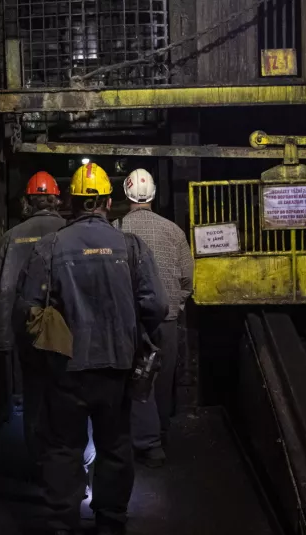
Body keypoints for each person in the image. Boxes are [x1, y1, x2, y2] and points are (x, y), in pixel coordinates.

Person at [16, 162, 168, 535]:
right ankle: (110, 521)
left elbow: (27, 308)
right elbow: (157, 306)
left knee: (63, 447)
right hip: (116, 368)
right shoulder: (131, 247)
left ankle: (63, 522)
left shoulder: (50, 247)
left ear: (71, 201)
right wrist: (136, 336)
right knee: (115, 445)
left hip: (65, 368)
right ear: (107, 202)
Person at [0, 170, 66, 479]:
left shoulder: (12, 236)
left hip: (25, 332)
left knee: (32, 396)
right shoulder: (68, 230)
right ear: (55, 199)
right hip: (63, 332)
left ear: (27, 202)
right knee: (63, 394)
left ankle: (39, 461)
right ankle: (66, 462)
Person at [113, 168, 195, 468]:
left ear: (126, 193)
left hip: (131, 321)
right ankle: (160, 435)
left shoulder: (116, 229)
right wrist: (174, 306)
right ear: (154, 194)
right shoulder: (174, 231)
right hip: (167, 320)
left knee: (133, 377)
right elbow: (188, 280)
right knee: (163, 380)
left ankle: (136, 440)